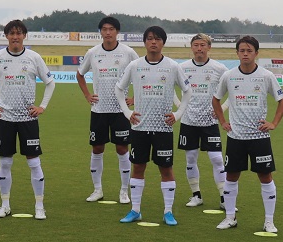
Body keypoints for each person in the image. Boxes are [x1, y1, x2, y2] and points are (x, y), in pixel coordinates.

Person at [0, 20, 55, 220]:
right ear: (6, 36)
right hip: (4, 119)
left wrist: (42, 106)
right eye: (11, 33)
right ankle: (5, 205)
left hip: (28, 119)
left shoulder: (34, 58)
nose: (15, 37)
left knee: (34, 162)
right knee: (5, 163)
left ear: (24, 36)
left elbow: (50, 82)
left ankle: (39, 206)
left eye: (19, 33)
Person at [115, 26, 191, 226]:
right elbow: (119, 88)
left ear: (163, 42)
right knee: (138, 167)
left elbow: (188, 91)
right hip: (139, 127)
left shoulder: (173, 66)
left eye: (157, 39)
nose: (153, 42)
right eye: (149, 38)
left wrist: (178, 114)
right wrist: (127, 112)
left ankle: (168, 212)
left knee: (166, 169)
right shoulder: (135, 65)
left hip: (163, 128)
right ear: (145, 42)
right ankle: (135, 210)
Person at [212, 36, 283, 233]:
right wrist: (223, 121)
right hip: (236, 137)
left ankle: (269, 221)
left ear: (256, 53)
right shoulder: (229, 76)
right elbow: (216, 99)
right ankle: (230, 217)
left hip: (259, 137)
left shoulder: (266, 76)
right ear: (237, 53)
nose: (245, 54)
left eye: (249, 50)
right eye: (242, 51)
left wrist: (273, 123)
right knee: (231, 176)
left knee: (265, 176)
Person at [76, 16, 139, 204]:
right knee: (97, 148)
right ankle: (97, 190)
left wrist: (135, 98)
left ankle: (124, 191)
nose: (108, 32)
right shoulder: (93, 53)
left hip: (121, 110)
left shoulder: (128, 52)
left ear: (117, 32)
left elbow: (142, 73)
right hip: (99, 110)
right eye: (104, 29)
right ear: (100, 32)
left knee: (122, 148)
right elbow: (80, 74)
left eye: (111, 29)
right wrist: (87, 95)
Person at [176, 34, 229, 209]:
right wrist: (180, 107)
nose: (199, 48)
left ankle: (224, 198)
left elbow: (233, 91)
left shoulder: (219, 68)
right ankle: (196, 195)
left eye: (203, 45)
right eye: (196, 45)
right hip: (189, 121)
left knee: (217, 159)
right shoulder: (181, 68)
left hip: (210, 122)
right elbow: (169, 87)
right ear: (191, 47)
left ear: (209, 47)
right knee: (191, 158)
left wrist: (221, 109)